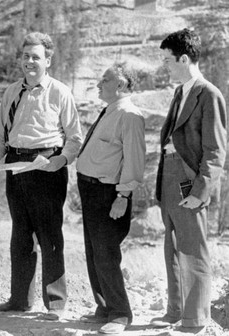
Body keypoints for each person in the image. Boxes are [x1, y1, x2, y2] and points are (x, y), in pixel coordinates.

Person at [0, 32, 83, 320]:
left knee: (50, 235)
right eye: (25, 56)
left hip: (46, 166)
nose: (29, 62)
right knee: (21, 235)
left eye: (36, 57)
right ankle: (19, 300)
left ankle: (56, 303)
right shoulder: (12, 92)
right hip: (14, 166)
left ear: (48, 61)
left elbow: (75, 138)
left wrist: (61, 161)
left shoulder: (60, 92)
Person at [151, 28, 227, 331]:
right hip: (168, 174)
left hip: (188, 179)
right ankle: (176, 311)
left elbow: (215, 150)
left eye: (168, 61)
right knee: (171, 246)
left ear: (184, 58)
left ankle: (195, 321)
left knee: (193, 249)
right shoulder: (180, 91)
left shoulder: (209, 94)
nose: (165, 66)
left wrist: (200, 190)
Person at [76, 62, 145, 334]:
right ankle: (104, 307)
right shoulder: (111, 110)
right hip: (91, 189)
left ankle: (120, 313)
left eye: (105, 80)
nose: (98, 84)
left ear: (120, 85)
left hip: (109, 193)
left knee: (105, 253)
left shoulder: (129, 115)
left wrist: (123, 195)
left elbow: (134, 161)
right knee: (94, 252)